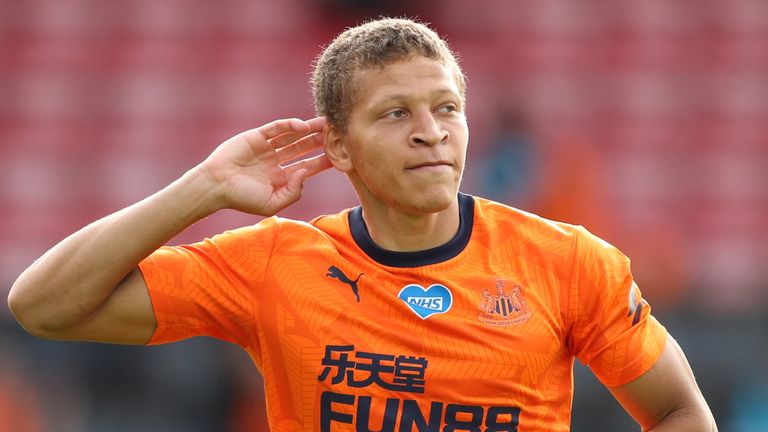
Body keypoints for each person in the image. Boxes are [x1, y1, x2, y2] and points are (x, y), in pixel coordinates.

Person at [7, 18, 716, 431]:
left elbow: (679, 411)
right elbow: (42, 306)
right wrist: (202, 190)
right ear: (339, 147)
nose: (431, 133)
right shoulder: (274, 265)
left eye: (447, 109)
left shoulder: (568, 261)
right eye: (395, 113)